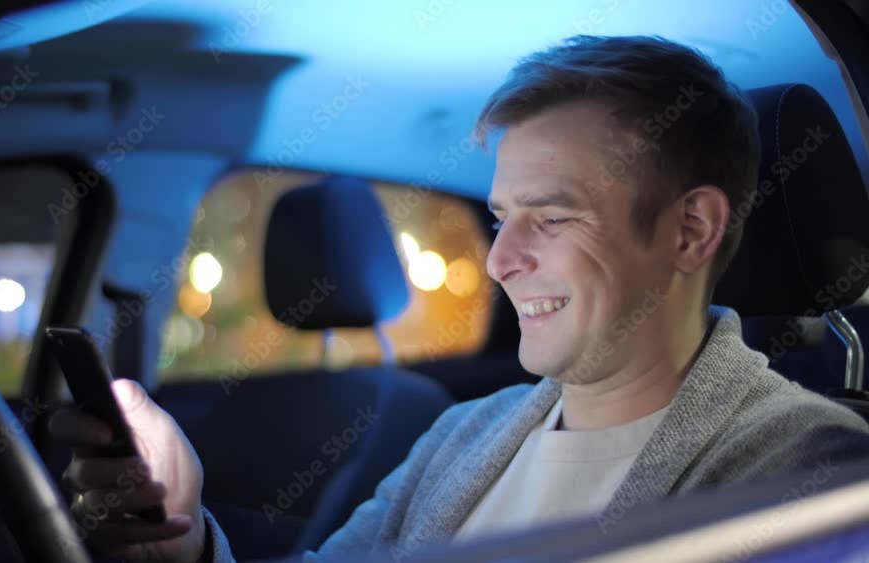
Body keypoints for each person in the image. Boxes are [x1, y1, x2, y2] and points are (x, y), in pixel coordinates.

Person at [49, 35, 869, 563]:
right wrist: (183, 537)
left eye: (551, 217)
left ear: (691, 230)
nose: (503, 260)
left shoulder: (812, 470)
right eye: (503, 217)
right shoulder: (463, 433)